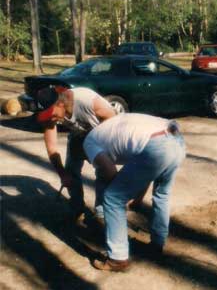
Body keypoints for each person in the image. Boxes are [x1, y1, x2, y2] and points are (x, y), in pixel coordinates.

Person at [83, 113, 186, 272]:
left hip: (156, 145)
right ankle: (157, 244)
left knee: (112, 198)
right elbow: (142, 171)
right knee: (162, 194)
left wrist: (118, 203)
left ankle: (117, 259)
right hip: (176, 139)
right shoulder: (108, 130)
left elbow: (109, 172)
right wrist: (135, 196)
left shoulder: (89, 142)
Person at [36, 86, 116, 223]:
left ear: (60, 103)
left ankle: (101, 212)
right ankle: (77, 206)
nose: (52, 119)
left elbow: (113, 119)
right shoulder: (52, 112)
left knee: (104, 172)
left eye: (53, 114)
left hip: (102, 134)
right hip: (78, 135)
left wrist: (100, 148)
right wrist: (62, 174)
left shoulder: (88, 101)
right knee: (71, 170)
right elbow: (51, 147)